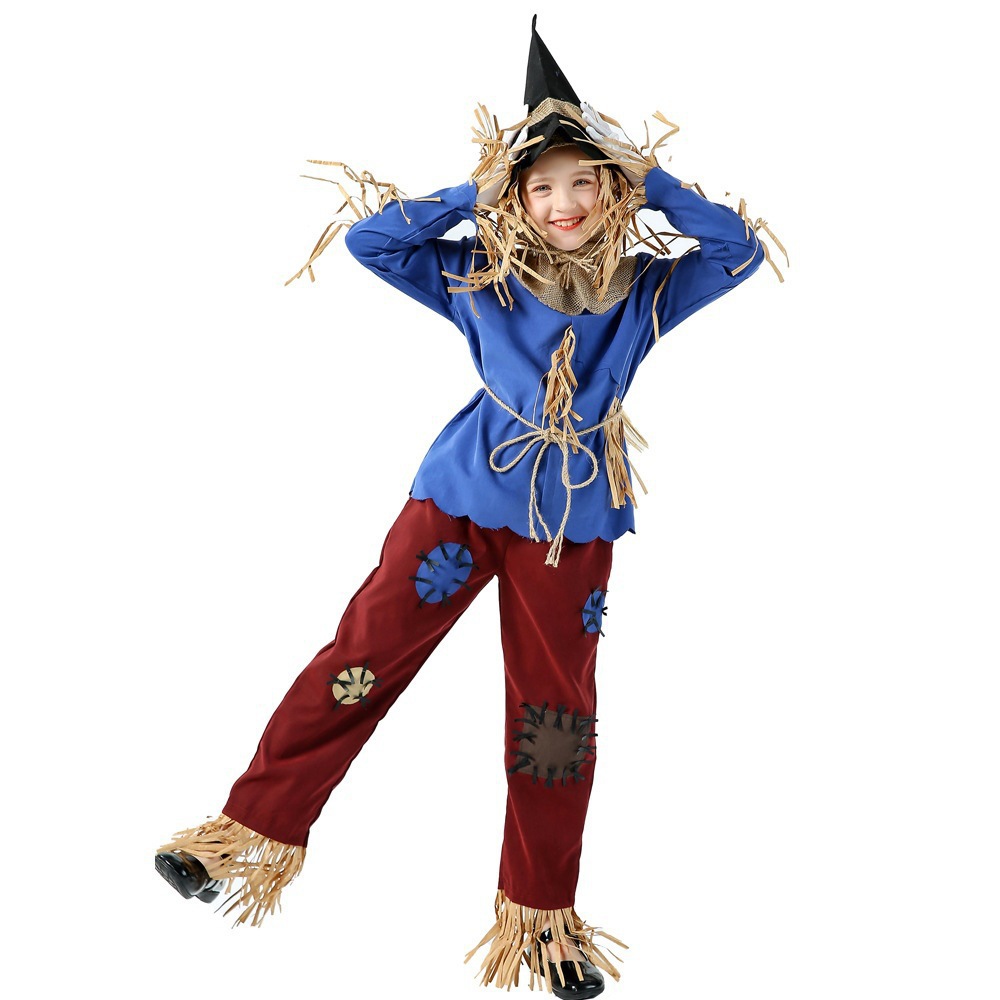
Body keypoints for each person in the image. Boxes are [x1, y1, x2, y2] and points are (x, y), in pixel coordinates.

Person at [153, 16, 783, 999]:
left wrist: (650, 176)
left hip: (571, 520)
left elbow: (738, 248)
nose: (565, 204)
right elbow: (371, 241)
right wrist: (469, 194)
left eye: (585, 182)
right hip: (456, 499)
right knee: (362, 657)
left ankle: (543, 919)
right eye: (541, 186)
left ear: (611, 189)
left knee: (554, 717)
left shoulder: (647, 290)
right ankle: (245, 832)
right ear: (515, 197)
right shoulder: (475, 274)